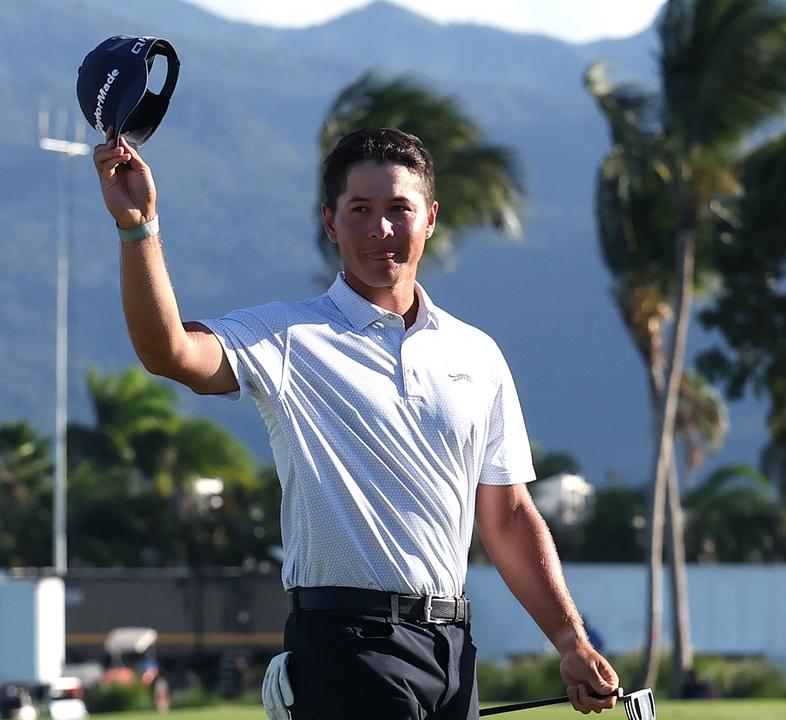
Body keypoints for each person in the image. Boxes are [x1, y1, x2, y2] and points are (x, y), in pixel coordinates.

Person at [91, 126, 619, 719]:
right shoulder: (286, 336)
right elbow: (169, 351)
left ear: (431, 218)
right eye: (360, 209)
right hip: (346, 643)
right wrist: (139, 226)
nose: (381, 228)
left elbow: (509, 515)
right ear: (330, 221)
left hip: (452, 652)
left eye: (399, 209)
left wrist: (571, 640)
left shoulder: (478, 354)